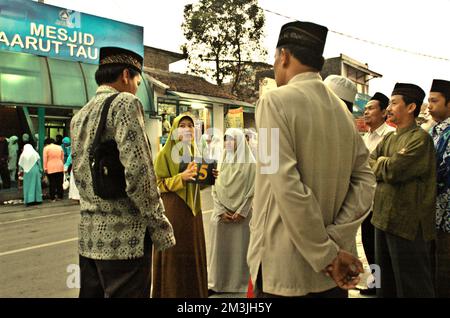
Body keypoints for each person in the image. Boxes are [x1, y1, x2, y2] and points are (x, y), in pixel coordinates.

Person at [247, 21, 375, 298]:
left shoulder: (272, 103)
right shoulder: (343, 113)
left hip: (285, 271)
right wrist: (336, 238)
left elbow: (281, 182)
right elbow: (366, 181)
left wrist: (324, 252)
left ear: (284, 56)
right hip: (333, 274)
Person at [71, 46, 175, 298]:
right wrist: (161, 226)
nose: (137, 87)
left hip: (89, 240)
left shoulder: (79, 116)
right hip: (125, 243)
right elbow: (140, 175)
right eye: (138, 80)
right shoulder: (125, 103)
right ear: (126, 75)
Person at [370, 83, 436, 298]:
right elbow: (367, 162)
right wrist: (383, 163)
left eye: (394, 103)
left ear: (411, 107)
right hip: (381, 219)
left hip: (406, 224)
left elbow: (394, 170)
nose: (388, 108)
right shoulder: (389, 137)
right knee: (383, 283)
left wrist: (382, 163)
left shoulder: (420, 139)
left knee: (411, 285)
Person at [153, 113, 217, 298]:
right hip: (173, 209)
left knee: (191, 251)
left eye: (190, 125)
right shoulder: (165, 153)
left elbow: (195, 184)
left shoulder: (196, 152)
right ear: (174, 130)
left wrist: (209, 177)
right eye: (183, 125)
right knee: (174, 254)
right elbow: (156, 184)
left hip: (193, 211)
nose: (187, 129)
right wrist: (180, 178)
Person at [208, 128, 256, 293]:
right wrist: (220, 210)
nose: (228, 143)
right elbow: (215, 187)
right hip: (222, 215)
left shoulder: (251, 163)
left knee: (240, 251)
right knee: (220, 250)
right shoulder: (221, 160)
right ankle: (217, 283)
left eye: (232, 139)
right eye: (226, 139)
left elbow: (252, 190)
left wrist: (241, 212)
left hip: (241, 217)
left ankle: (239, 284)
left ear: (240, 142)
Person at [360, 92, 395, 295]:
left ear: (384, 112)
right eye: (365, 109)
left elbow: (381, 168)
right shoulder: (365, 138)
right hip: (365, 201)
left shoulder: (389, 136)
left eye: (371, 108)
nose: (366, 112)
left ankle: (384, 285)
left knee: (381, 248)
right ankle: (376, 281)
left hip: (380, 201)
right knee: (368, 244)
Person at [427, 79, 450, 297]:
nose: (429, 105)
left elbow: (442, 171)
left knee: (444, 272)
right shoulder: (433, 131)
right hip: (431, 213)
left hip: (447, 216)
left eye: (435, 101)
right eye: (428, 101)